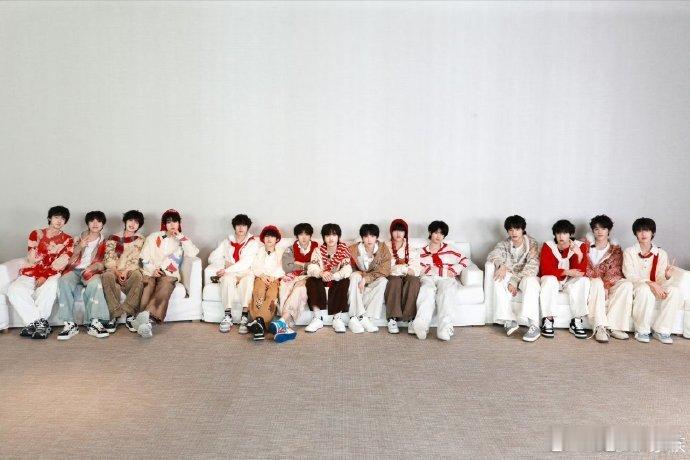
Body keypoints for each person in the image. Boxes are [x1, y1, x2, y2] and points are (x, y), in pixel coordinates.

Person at [8, 205, 74, 339]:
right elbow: (32, 258)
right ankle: (39, 323)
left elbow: (62, 261)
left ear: (65, 221)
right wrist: (49, 252)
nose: (59, 221)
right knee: (14, 289)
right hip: (32, 270)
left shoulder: (68, 239)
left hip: (52, 272)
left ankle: (34, 325)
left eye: (62, 219)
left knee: (51, 286)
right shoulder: (36, 234)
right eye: (56, 217)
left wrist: (44, 275)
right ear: (49, 218)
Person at [137, 209, 199, 338]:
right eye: (169, 222)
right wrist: (153, 270)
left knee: (165, 285)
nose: (172, 225)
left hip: (170, 274)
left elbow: (193, 253)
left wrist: (181, 237)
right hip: (151, 272)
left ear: (179, 224)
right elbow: (144, 256)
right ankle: (142, 320)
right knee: (148, 285)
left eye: (175, 222)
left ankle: (147, 320)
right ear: (164, 224)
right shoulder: (153, 237)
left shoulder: (182, 240)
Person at [623, 218, 681, 344]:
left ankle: (661, 330)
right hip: (637, 286)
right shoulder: (629, 252)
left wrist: (667, 276)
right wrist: (650, 283)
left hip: (656, 286)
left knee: (674, 291)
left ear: (652, 233)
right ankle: (641, 330)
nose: (643, 234)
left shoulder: (661, 253)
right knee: (644, 289)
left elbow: (660, 278)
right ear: (635, 233)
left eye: (647, 230)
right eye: (639, 231)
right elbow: (630, 275)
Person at [411, 220, 468, 341]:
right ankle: (421, 326)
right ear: (430, 233)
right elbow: (417, 267)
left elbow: (465, 260)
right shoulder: (421, 252)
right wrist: (433, 270)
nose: (438, 236)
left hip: (446, 277)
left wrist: (453, 270)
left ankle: (444, 329)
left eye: (442, 234)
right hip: (428, 277)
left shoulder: (450, 249)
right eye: (436, 233)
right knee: (426, 291)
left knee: (446, 292)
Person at [486, 215, 541, 342]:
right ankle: (509, 319)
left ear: (523, 230)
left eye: (517, 229)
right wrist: (501, 265)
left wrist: (514, 281)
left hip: (527, 275)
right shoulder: (504, 244)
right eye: (511, 230)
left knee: (531, 283)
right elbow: (493, 255)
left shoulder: (532, 243)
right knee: (498, 278)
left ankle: (533, 325)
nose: (514, 232)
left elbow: (532, 266)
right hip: (511, 274)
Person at [56, 211, 110, 340]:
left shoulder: (105, 242)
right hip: (74, 269)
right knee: (63, 281)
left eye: (98, 221)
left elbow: (105, 262)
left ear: (102, 224)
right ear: (87, 223)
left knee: (96, 284)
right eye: (92, 221)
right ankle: (69, 324)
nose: (95, 224)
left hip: (91, 271)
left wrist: (93, 267)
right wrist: (79, 246)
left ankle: (94, 323)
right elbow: (68, 257)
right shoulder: (78, 238)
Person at [585, 215, 633, 342]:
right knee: (596, 282)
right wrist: (600, 283)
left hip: (608, 282)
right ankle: (599, 326)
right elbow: (582, 266)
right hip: (590, 282)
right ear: (593, 231)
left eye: (603, 228)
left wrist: (606, 286)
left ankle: (614, 327)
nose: (599, 232)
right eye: (596, 229)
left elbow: (615, 269)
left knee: (626, 285)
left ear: (609, 230)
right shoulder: (584, 247)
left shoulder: (615, 249)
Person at [538, 220, 590, 339]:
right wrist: (566, 272)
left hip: (569, 282)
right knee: (549, 279)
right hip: (553, 280)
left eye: (565, 233)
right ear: (555, 234)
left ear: (570, 234)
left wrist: (579, 255)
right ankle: (548, 320)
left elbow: (581, 272)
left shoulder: (580, 246)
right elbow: (545, 270)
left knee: (584, 280)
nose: (561, 236)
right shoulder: (548, 245)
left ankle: (576, 321)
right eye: (558, 233)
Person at [210, 214, 260, 334]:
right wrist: (224, 263)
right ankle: (228, 316)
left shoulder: (253, 242)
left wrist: (228, 269)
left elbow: (246, 262)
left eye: (244, 225)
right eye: (238, 225)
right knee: (226, 279)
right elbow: (212, 257)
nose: (241, 228)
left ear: (247, 227)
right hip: (231, 272)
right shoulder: (227, 242)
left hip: (245, 271)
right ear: (234, 227)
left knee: (248, 281)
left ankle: (244, 316)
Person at [101, 210, 146, 334]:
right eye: (130, 220)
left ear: (139, 225)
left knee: (138, 276)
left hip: (130, 269)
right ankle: (115, 314)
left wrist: (126, 271)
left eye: (136, 222)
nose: (133, 224)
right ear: (125, 221)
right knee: (106, 276)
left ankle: (130, 314)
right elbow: (108, 258)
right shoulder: (113, 238)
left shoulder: (140, 239)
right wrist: (116, 272)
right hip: (114, 269)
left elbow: (135, 258)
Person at [244, 225, 290, 341]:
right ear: (263, 239)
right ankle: (260, 323)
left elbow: (283, 267)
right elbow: (254, 265)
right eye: (267, 236)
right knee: (259, 292)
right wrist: (262, 275)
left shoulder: (281, 252)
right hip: (261, 277)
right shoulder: (259, 251)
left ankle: (259, 322)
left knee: (271, 295)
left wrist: (273, 277)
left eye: (272, 236)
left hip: (275, 279)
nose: (269, 239)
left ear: (277, 239)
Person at [305, 224, 352, 333]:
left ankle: (337, 319)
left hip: (336, 279)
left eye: (334, 235)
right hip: (321, 279)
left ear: (338, 237)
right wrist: (321, 273)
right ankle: (317, 318)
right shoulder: (317, 250)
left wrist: (334, 276)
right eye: (327, 235)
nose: (331, 238)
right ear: (323, 237)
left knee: (344, 280)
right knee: (311, 280)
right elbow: (312, 267)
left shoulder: (343, 250)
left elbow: (347, 269)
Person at [346, 224, 391, 333]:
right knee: (354, 276)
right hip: (358, 277)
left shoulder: (383, 249)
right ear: (362, 238)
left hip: (373, 279)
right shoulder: (353, 249)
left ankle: (367, 317)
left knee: (383, 281)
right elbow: (347, 266)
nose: (369, 239)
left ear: (376, 237)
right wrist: (359, 273)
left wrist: (366, 278)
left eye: (372, 236)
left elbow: (385, 270)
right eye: (366, 236)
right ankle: (354, 317)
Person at [278, 223, 319, 332]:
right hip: (292, 276)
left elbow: (317, 265)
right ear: (297, 236)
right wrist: (307, 264)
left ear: (310, 235)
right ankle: (284, 322)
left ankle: (284, 321)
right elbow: (287, 267)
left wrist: (298, 263)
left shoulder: (317, 248)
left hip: (308, 276)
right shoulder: (290, 249)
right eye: (301, 234)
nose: (304, 237)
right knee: (284, 287)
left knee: (299, 289)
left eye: (306, 234)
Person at [383, 218, 421, 334]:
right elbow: (387, 268)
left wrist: (401, 268)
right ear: (391, 232)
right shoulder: (384, 247)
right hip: (392, 275)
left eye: (401, 231)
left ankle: (410, 318)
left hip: (407, 275)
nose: (398, 233)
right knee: (394, 281)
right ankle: (392, 318)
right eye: (395, 230)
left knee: (414, 281)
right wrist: (405, 268)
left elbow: (415, 269)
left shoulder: (411, 248)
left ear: (405, 233)